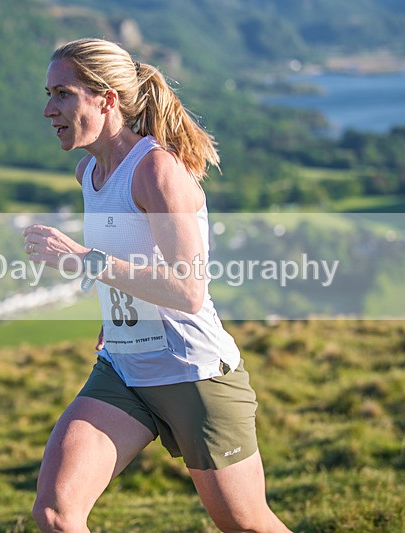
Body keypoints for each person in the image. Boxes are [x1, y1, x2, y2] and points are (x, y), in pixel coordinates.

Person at [23, 38, 290, 532]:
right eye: (49, 93)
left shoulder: (156, 169)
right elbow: (131, 258)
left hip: (193, 374)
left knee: (247, 525)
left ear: (106, 99)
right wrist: (115, 319)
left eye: (63, 94)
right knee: (57, 513)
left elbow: (188, 291)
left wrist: (83, 259)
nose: (48, 109)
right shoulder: (90, 172)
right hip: (123, 370)